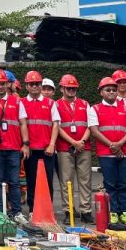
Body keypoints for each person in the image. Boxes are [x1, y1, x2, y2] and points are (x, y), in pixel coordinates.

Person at [89, 76, 126, 227]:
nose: (111, 92)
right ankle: (113, 212)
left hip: (125, 152)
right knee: (110, 184)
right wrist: (112, 145)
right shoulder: (95, 109)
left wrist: (119, 144)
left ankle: (125, 213)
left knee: (125, 183)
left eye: (114, 90)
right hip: (106, 153)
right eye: (107, 90)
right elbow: (94, 131)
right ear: (101, 92)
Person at [0, 69, 27, 218]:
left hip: (14, 148)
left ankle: (17, 213)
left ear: (7, 84)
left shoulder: (17, 101)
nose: (0, 86)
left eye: (2, 83)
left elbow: (23, 123)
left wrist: (25, 144)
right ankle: (0, 213)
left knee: (14, 182)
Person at [50, 74, 93, 222]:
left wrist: (81, 141)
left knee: (85, 180)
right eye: (68, 88)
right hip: (64, 147)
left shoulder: (85, 104)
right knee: (66, 181)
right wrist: (74, 142)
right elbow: (57, 127)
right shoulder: (56, 105)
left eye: (73, 88)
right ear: (62, 88)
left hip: (84, 146)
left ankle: (86, 211)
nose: (71, 90)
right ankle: (69, 211)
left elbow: (90, 125)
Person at [20, 71, 55, 211]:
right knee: (31, 180)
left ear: (41, 85)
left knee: (48, 181)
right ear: (26, 86)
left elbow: (56, 125)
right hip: (30, 150)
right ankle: (32, 209)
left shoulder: (50, 103)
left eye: (37, 83)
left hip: (47, 150)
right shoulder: (21, 103)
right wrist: (25, 145)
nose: (34, 86)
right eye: (31, 84)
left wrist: (52, 144)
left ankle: (47, 209)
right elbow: (21, 125)